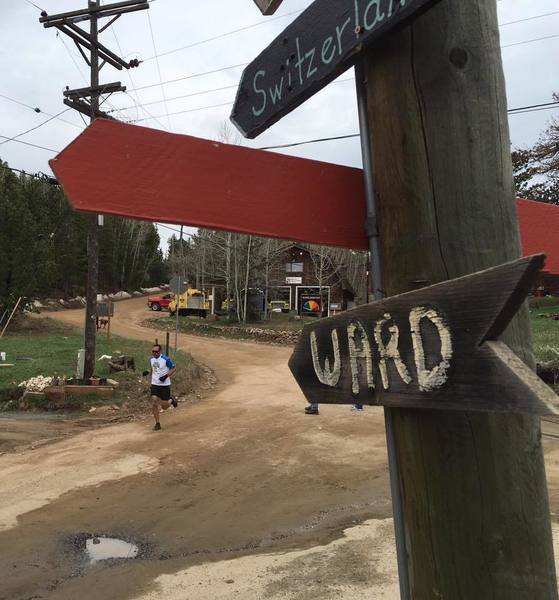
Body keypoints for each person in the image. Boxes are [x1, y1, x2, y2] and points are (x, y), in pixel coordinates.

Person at [142, 344, 177, 431]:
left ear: (160, 351)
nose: (154, 353)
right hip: (155, 384)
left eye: (156, 351)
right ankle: (157, 423)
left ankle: (171, 400)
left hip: (164, 385)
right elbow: (153, 369)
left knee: (164, 406)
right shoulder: (151, 359)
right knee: (154, 401)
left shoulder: (165, 359)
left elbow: (173, 368)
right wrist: (147, 372)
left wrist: (165, 376)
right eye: (153, 351)